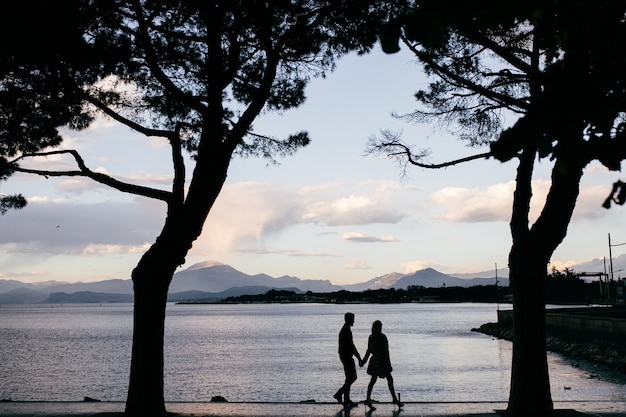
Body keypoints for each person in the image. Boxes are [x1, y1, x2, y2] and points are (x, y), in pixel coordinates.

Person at [359, 320, 403, 409]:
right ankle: (394, 399)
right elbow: (386, 351)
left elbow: (369, 350)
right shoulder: (383, 337)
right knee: (389, 379)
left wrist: (364, 361)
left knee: (373, 380)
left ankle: (368, 399)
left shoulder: (371, 337)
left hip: (375, 360)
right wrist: (389, 364)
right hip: (382, 360)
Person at [333, 312, 362, 407]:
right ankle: (339, 394)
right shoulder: (346, 330)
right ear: (348, 319)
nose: (354, 321)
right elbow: (351, 345)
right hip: (346, 356)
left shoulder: (345, 329)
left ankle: (346, 399)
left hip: (344, 355)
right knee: (353, 377)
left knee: (349, 378)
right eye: (352, 319)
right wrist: (358, 356)